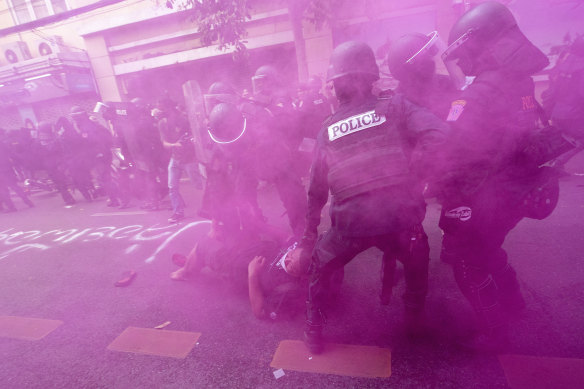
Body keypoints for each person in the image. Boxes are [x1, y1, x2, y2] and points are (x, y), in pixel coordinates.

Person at [298, 40, 448, 354]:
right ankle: (413, 321)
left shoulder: (327, 129)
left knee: (319, 266)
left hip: (350, 226)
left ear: (336, 85)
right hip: (400, 218)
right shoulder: (396, 106)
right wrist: (416, 178)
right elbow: (438, 136)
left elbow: (315, 191)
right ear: (371, 78)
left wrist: (309, 235)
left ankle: (313, 330)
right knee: (418, 256)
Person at [438, 1, 551, 351]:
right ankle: (515, 303)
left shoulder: (476, 95)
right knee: (489, 248)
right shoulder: (522, 83)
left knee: (467, 262)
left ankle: (494, 333)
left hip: (487, 193)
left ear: (478, 44)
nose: (464, 60)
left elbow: (451, 146)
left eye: (465, 51)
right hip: (519, 189)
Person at [157, 98, 203, 223]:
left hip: (190, 159)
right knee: (172, 187)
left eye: (162, 108)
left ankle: (213, 205)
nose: (160, 111)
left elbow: (196, 135)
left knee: (199, 185)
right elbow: (164, 143)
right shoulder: (162, 123)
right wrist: (174, 145)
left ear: (170, 108)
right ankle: (178, 212)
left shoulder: (184, 119)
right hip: (175, 159)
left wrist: (190, 141)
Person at [70, 105, 119, 206]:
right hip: (97, 156)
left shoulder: (88, 126)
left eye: (76, 116)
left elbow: (96, 141)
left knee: (105, 178)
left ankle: (120, 198)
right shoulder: (84, 125)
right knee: (103, 178)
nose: (75, 119)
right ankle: (113, 198)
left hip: (100, 156)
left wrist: (99, 153)